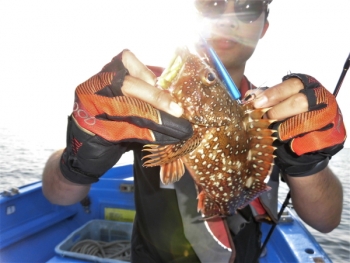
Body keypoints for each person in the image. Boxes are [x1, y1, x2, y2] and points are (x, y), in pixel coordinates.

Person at [42, 1, 346, 262]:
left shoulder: (278, 112)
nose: (228, 19)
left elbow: (327, 220)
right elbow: (59, 195)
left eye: (248, 7)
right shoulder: (140, 99)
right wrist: (80, 154)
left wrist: (310, 163)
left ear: (264, 25)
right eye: (212, 4)